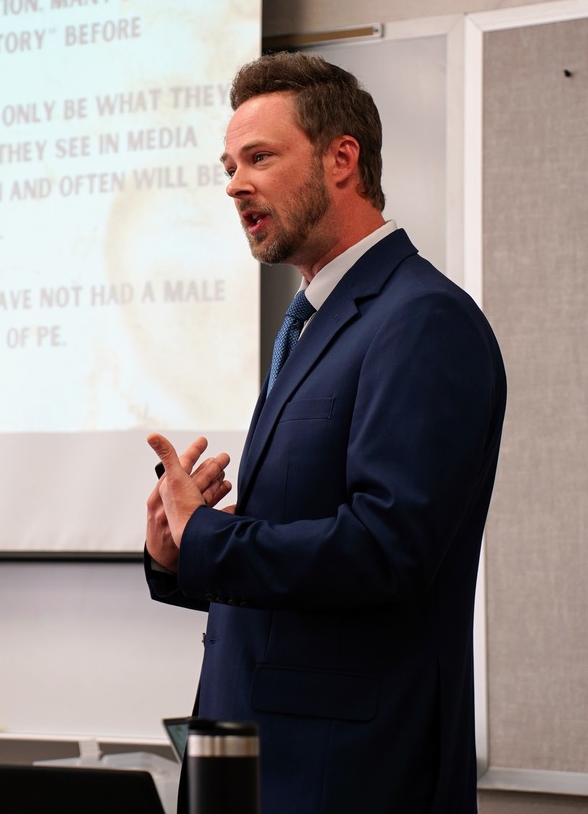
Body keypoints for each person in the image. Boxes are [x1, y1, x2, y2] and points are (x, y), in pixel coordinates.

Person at [144, 53, 506, 813]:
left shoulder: (421, 320)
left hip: (347, 776)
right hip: (248, 765)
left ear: (343, 158)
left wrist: (215, 541)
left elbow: (386, 547)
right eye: (229, 165)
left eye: (260, 158)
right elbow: (302, 558)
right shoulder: (314, 325)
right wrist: (183, 551)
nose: (235, 183)